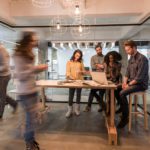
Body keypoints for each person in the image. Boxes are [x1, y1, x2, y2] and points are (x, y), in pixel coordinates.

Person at [13, 31, 48, 150]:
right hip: (25, 93)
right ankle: (29, 143)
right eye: (33, 40)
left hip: (32, 90)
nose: (35, 42)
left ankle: (31, 141)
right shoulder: (18, 55)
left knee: (33, 118)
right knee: (31, 120)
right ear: (27, 41)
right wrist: (36, 68)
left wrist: (36, 69)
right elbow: (21, 76)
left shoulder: (29, 53)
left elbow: (29, 72)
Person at [117, 40, 149, 129]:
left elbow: (139, 77)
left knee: (122, 93)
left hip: (141, 84)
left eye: (128, 50)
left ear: (134, 48)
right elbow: (127, 73)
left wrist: (128, 85)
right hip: (132, 82)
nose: (127, 52)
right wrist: (124, 82)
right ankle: (122, 109)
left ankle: (125, 118)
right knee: (116, 87)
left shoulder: (142, 59)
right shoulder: (131, 58)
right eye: (126, 50)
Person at [84, 44, 105, 112]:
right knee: (92, 92)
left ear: (101, 49)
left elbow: (105, 67)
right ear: (95, 50)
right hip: (95, 78)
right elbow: (93, 67)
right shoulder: (93, 57)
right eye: (97, 50)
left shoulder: (105, 57)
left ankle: (101, 106)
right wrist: (101, 66)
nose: (98, 51)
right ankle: (88, 106)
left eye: (99, 49)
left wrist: (97, 65)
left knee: (101, 93)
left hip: (103, 78)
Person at [0, 43, 18, 120]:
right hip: (1, 75)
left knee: (2, 95)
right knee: (1, 94)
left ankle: (0, 114)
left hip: (4, 76)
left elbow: (6, 66)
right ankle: (14, 103)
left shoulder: (2, 50)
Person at [66, 49, 85, 118]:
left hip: (79, 81)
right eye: (77, 55)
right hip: (72, 81)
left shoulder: (81, 62)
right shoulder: (69, 62)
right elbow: (67, 72)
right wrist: (70, 77)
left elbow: (83, 71)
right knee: (71, 95)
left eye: (79, 56)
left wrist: (81, 72)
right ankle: (69, 110)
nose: (77, 57)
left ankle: (77, 109)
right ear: (74, 54)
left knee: (78, 95)